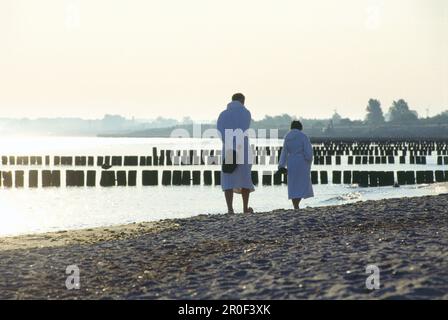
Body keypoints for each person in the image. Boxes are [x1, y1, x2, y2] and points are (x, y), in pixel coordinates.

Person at [217, 93, 255, 214]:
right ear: (242, 101)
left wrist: (228, 142)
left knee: (228, 177)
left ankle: (230, 209)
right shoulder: (246, 113)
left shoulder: (223, 114)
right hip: (242, 147)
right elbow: (245, 127)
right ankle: (245, 208)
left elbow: (219, 131)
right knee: (245, 178)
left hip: (228, 148)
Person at [278, 120, 314, 210]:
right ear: (300, 127)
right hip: (302, 162)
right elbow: (308, 152)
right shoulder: (303, 136)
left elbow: (284, 152)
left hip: (291, 162)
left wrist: (281, 165)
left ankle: (295, 205)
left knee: (293, 185)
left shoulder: (287, 136)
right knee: (302, 184)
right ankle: (296, 205)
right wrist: (308, 159)